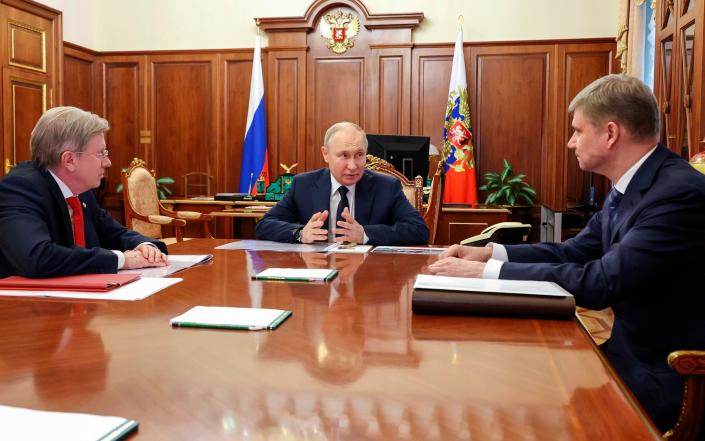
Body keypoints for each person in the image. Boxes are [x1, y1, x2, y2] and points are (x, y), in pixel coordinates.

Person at [429, 74, 705, 431]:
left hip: (668, 376)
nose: (570, 142)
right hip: (627, 355)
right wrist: (491, 254)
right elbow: (573, 252)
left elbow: (603, 282)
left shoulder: (677, 194)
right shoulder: (637, 182)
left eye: (577, 130)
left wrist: (485, 276)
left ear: (610, 133)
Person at [0, 106, 168, 278]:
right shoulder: (20, 189)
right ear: (69, 160)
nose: (108, 162)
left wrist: (146, 247)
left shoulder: (81, 189)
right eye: (101, 153)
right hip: (27, 301)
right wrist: (121, 260)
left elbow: (114, 233)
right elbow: (37, 257)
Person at [255, 121, 429, 245]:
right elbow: (265, 225)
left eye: (359, 155)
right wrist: (301, 234)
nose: (352, 166)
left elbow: (419, 230)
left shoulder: (387, 187)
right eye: (344, 155)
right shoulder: (303, 185)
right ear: (326, 154)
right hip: (317, 280)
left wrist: (365, 235)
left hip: (367, 278)